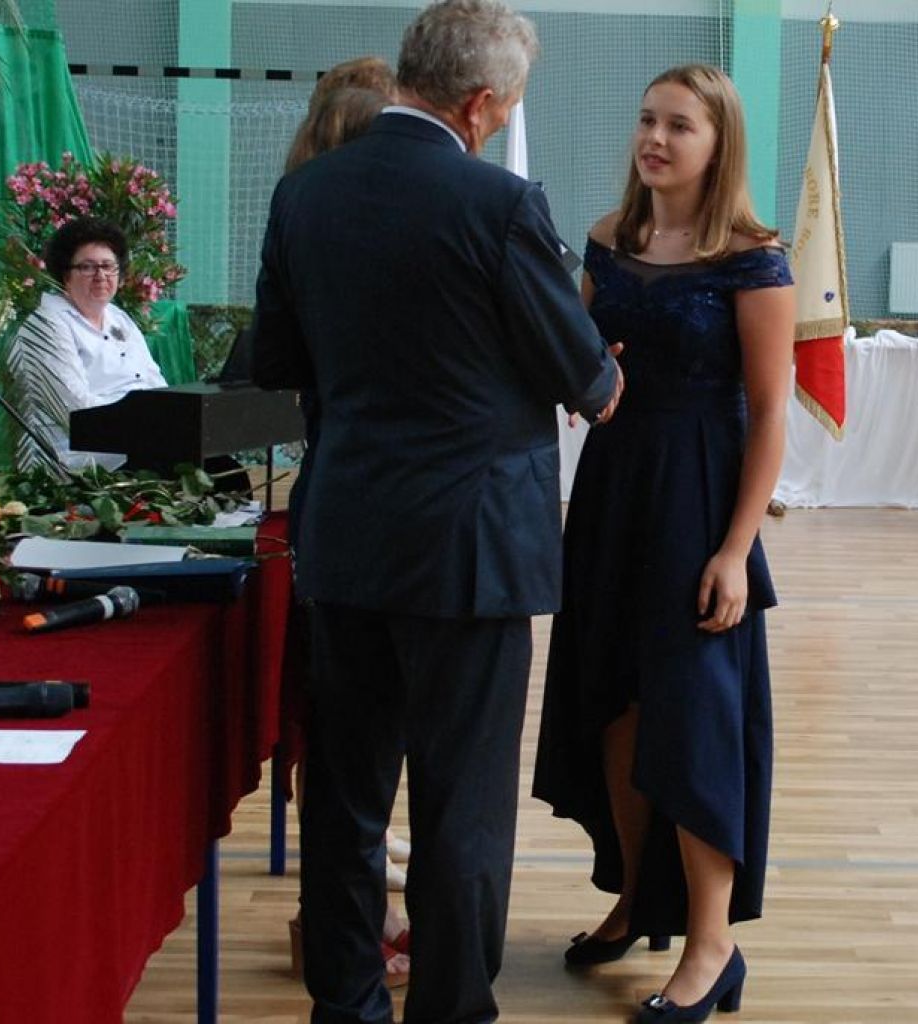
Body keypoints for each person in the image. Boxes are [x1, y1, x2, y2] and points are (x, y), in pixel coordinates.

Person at [250, 2, 623, 1022]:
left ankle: (347, 1006)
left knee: (346, 799)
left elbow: (275, 361)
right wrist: (599, 375)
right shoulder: (499, 205)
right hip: (472, 553)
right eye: (507, 106)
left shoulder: (306, 195)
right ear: (478, 103)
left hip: (346, 538)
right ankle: (452, 1008)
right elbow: (585, 379)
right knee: (462, 808)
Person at [532, 63, 794, 1023]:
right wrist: (582, 371)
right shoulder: (610, 238)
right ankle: (638, 899)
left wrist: (734, 550)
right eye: (648, 119)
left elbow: (770, 413)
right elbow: (576, 356)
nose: (655, 138)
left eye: (680, 125)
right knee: (615, 707)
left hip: (699, 500)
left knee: (692, 720)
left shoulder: (755, 259)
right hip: (612, 494)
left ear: (719, 144)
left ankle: (712, 945)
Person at [273, 66, 412, 991]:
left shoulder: (300, 211)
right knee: (361, 741)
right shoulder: (377, 226)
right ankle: (365, 920)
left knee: (332, 734)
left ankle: (338, 919)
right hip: (390, 516)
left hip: (326, 501)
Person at [8, 217, 168, 471]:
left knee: (215, 461)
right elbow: (76, 411)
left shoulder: (118, 317)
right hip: (79, 458)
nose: (100, 276)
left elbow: (156, 383)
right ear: (65, 275)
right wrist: (147, 423)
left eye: (108, 266)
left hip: (139, 440)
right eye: (87, 267)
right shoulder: (46, 324)